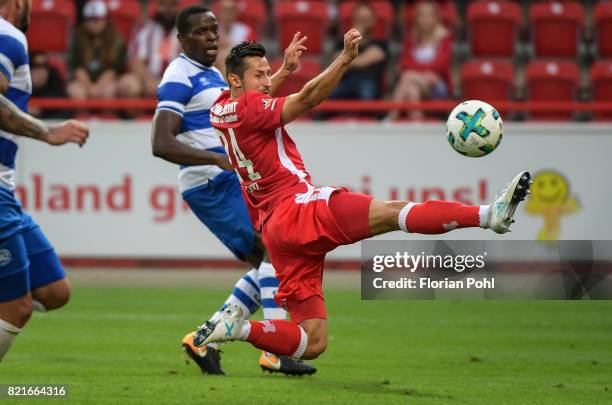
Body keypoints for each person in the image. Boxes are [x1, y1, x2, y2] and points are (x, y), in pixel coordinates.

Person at [194, 31, 531, 361]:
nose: (268, 79)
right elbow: (307, 99)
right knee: (393, 212)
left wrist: (285, 71)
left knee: (312, 343)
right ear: (236, 81)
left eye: (268, 72)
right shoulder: (252, 105)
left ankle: (238, 328)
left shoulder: (220, 109)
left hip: (275, 232)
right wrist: (343, 60)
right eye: (260, 74)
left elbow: (255, 100)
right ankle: (490, 215)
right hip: (298, 209)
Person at [150, 5, 315, 375]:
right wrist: (217, 160)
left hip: (231, 179)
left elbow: (253, 108)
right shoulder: (179, 75)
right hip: (210, 183)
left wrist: (285, 69)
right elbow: (161, 142)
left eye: (214, 30)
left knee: (269, 257)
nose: (211, 37)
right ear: (181, 39)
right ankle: (276, 350)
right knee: (275, 248)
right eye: (200, 32)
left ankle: (203, 337)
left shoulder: (210, 75)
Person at [0, 0, 89, 363]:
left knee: (53, 290)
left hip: (6, 187)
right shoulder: (8, 37)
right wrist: (46, 132)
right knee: (16, 307)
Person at [387, 1, 452, 121]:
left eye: (429, 15)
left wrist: (416, 69)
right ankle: (417, 122)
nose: (425, 19)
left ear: (435, 17)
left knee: (407, 76)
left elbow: (441, 65)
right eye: (421, 15)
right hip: (422, 81)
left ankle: (392, 116)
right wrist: (426, 72)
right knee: (412, 90)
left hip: (437, 86)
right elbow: (404, 63)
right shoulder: (411, 38)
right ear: (416, 18)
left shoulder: (444, 37)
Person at [66, 0, 129, 101]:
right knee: (75, 90)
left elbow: (113, 70)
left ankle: (108, 116)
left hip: (107, 81)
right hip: (84, 82)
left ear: (105, 20)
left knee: (109, 90)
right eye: (90, 19)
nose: (95, 23)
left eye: (98, 19)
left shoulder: (116, 40)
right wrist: (90, 87)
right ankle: (82, 115)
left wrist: (97, 87)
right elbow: (77, 68)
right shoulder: (77, 38)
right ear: (85, 21)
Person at [122, 0, 183, 98]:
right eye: (164, 4)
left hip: (178, 81)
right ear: (156, 5)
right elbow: (135, 61)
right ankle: (139, 114)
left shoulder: (188, 32)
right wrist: (148, 80)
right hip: (149, 79)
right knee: (128, 84)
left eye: (173, 4)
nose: (168, 9)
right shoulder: (144, 29)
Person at [329, 2, 387, 101]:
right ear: (354, 20)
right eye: (360, 19)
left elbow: (361, 62)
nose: (362, 23)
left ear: (373, 21)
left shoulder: (380, 44)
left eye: (366, 19)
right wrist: (355, 38)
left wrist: (346, 62)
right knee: (326, 94)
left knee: (365, 88)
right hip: (344, 83)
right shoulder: (341, 43)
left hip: (369, 85)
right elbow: (334, 66)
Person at [213, 0, 253, 77]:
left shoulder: (245, 31)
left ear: (235, 13)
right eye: (224, 10)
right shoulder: (212, 30)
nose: (227, 14)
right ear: (219, 12)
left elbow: (251, 55)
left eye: (230, 11)